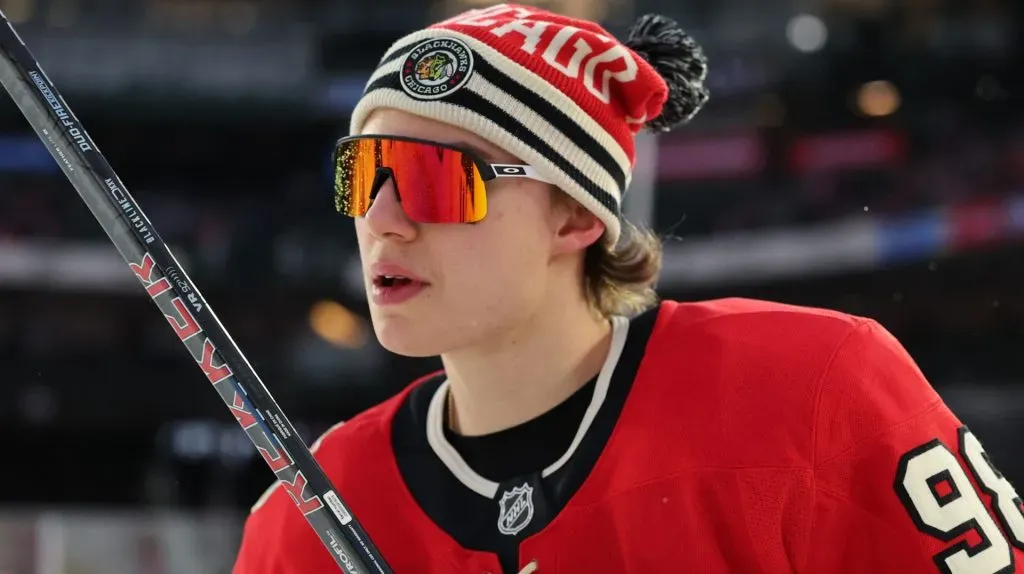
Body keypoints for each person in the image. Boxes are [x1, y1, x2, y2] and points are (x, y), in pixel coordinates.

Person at [233, 3, 1024, 573]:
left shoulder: (811, 391)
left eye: (437, 181)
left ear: (576, 215)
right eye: (365, 176)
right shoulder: (311, 514)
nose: (384, 221)